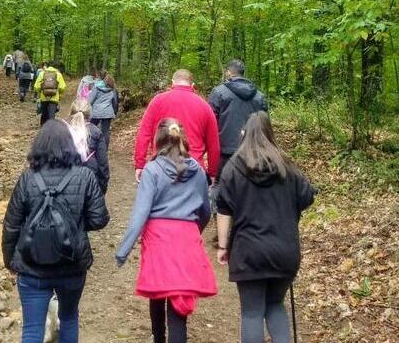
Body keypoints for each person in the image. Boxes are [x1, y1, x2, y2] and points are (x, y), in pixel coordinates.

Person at [2, 120, 110, 343]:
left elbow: (11, 225)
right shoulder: (85, 176)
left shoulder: (27, 179)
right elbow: (99, 219)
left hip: (32, 267)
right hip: (72, 265)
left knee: (32, 328)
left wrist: (10, 261)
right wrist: (75, 224)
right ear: (71, 145)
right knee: (69, 318)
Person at [215, 111, 316, 343]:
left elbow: (223, 209)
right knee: (275, 305)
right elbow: (307, 197)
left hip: (249, 251)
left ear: (244, 134)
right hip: (284, 250)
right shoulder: (287, 167)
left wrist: (222, 246)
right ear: (271, 134)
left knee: (251, 312)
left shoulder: (234, 168)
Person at [116, 119, 217, 343]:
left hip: (158, 238)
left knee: (157, 291)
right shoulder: (198, 171)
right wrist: (193, 230)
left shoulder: (152, 170)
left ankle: (158, 338)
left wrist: (123, 250)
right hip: (187, 236)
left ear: (158, 141)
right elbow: (205, 210)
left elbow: (140, 213)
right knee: (178, 301)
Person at [133, 69, 220, 183]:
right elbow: (214, 144)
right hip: (193, 170)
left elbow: (144, 134)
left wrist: (139, 164)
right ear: (192, 85)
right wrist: (213, 173)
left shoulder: (157, 101)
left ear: (172, 82)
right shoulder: (204, 106)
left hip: (160, 167)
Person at [208, 59, 268, 210]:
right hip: (252, 149)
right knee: (249, 184)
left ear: (228, 72)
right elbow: (265, 123)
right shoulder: (259, 96)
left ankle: (220, 219)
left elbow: (210, 122)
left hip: (225, 149)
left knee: (219, 184)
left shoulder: (219, 92)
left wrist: (209, 146)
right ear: (243, 73)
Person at [67, 99, 110, 194]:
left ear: (71, 112)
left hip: (66, 185)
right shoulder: (96, 133)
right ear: (90, 114)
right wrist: (102, 188)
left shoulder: (63, 131)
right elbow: (103, 164)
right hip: (90, 184)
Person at [89, 73, 118, 148]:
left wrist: (88, 109)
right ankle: (104, 149)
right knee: (105, 132)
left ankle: (91, 145)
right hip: (108, 113)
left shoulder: (96, 86)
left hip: (96, 112)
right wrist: (114, 112)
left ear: (104, 80)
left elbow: (91, 101)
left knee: (91, 128)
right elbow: (115, 102)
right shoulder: (113, 89)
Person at [34, 62, 66, 126]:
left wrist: (40, 92)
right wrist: (58, 92)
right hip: (54, 98)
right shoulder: (58, 74)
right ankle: (51, 128)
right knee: (52, 114)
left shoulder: (42, 73)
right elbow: (62, 87)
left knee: (44, 113)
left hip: (44, 97)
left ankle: (43, 127)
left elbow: (36, 86)